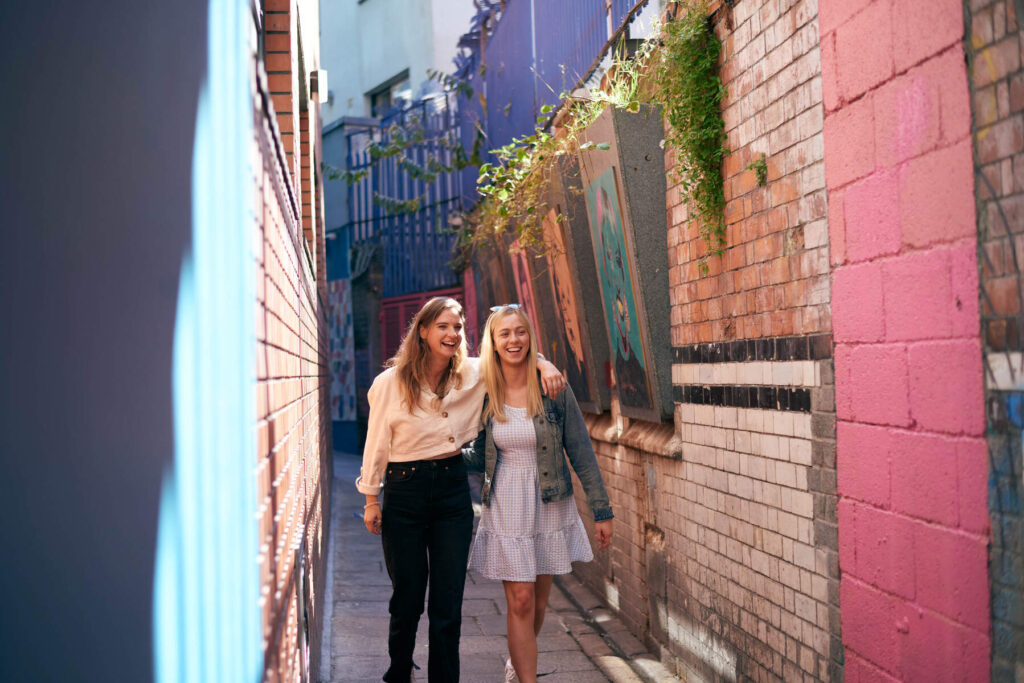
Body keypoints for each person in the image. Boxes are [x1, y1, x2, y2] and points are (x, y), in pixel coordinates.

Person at [357, 296, 565, 683]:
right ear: (422, 331)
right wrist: (371, 498)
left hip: (453, 491)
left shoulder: (472, 374)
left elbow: (512, 355)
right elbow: (376, 442)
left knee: (448, 600)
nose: (452, 334)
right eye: (443, 326)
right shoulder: (390, 383)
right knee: (407, 595)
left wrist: (545, 362)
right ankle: (399, 669)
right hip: (404, 490)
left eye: (457, 327)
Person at [465, 305, 614, 683]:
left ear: (530, 337)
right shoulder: (482, 387)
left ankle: (518, 663)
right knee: (521, 600)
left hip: (550, 500)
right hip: (506, 503)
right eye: (505, 334)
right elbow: (474, 450)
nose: (513, 340)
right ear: (493, 343)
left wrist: (602, 510)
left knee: (541, 603)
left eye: (521, 332)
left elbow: (580, 449)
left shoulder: (552, 388)